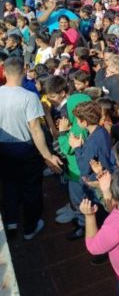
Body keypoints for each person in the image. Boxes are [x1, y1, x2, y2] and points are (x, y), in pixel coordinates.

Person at [0, 57, 62, 238]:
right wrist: (48, 156)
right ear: (24, 70)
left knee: (9, 185)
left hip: (3, 149)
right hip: (25, 149)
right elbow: (35, 129)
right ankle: (30, 226)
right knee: (31, 187)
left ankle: (11, 222)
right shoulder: (29, 97)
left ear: (5, 71)